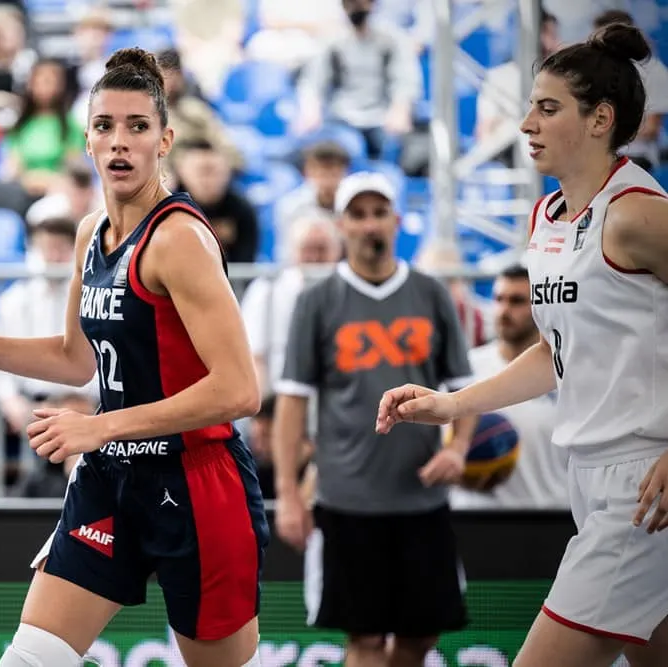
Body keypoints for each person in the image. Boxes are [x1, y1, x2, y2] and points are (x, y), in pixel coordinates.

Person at [0, 47, 268, 666]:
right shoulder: (89, 231)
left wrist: (96, 427)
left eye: (137, 126)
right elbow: (75, 360)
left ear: (164, 140)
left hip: (196, 480)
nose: (120, 142)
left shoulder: (179, 239)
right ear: (87, 141)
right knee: (29, 659)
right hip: (110, 477)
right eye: (105, 126)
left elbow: (238, 390)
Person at [376, 23, 668, 667]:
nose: (526, 121)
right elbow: (552, 351)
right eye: (530, 105)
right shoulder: (547, 217)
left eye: (547, 107)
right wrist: (454, 405)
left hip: (644, 480)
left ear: (600, 120)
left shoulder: (639, 213)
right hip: (590, 476)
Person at [272, 171, 478, 667]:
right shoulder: (316, 301)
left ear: (398, 219)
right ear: (341, 224)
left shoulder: (431, 294)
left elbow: (463, 389)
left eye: (378, 213)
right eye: (358, 215)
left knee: (420, 637)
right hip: (346, 501)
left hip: (422, 498)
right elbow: (293, 402)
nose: (369, 225)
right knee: (362, 639)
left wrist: (458, 448)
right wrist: (287, 494)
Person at [450, 264, 567, 510]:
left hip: (548, 515)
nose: (504, 310)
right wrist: (462, 473)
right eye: (498, 299)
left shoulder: (564, 372)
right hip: (476, 516)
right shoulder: (466, 370)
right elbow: (442, 448)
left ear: (540, 308)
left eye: (517, 301)